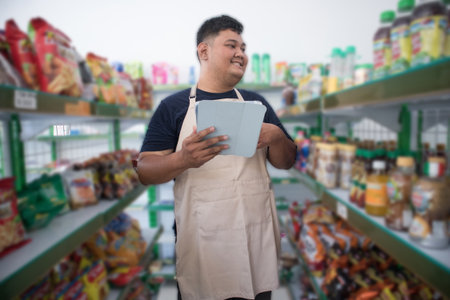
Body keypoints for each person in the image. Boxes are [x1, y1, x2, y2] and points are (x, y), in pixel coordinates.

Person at [136, 15, 296, 300]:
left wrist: (277, 137)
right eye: (231, 45)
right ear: (204, 51)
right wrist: (183, 159)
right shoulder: (172, 107)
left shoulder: (256, 104)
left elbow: (286, 161)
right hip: (204, 246)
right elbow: (145, 170)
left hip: (254, 244)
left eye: (244, 48)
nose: (241, 54)